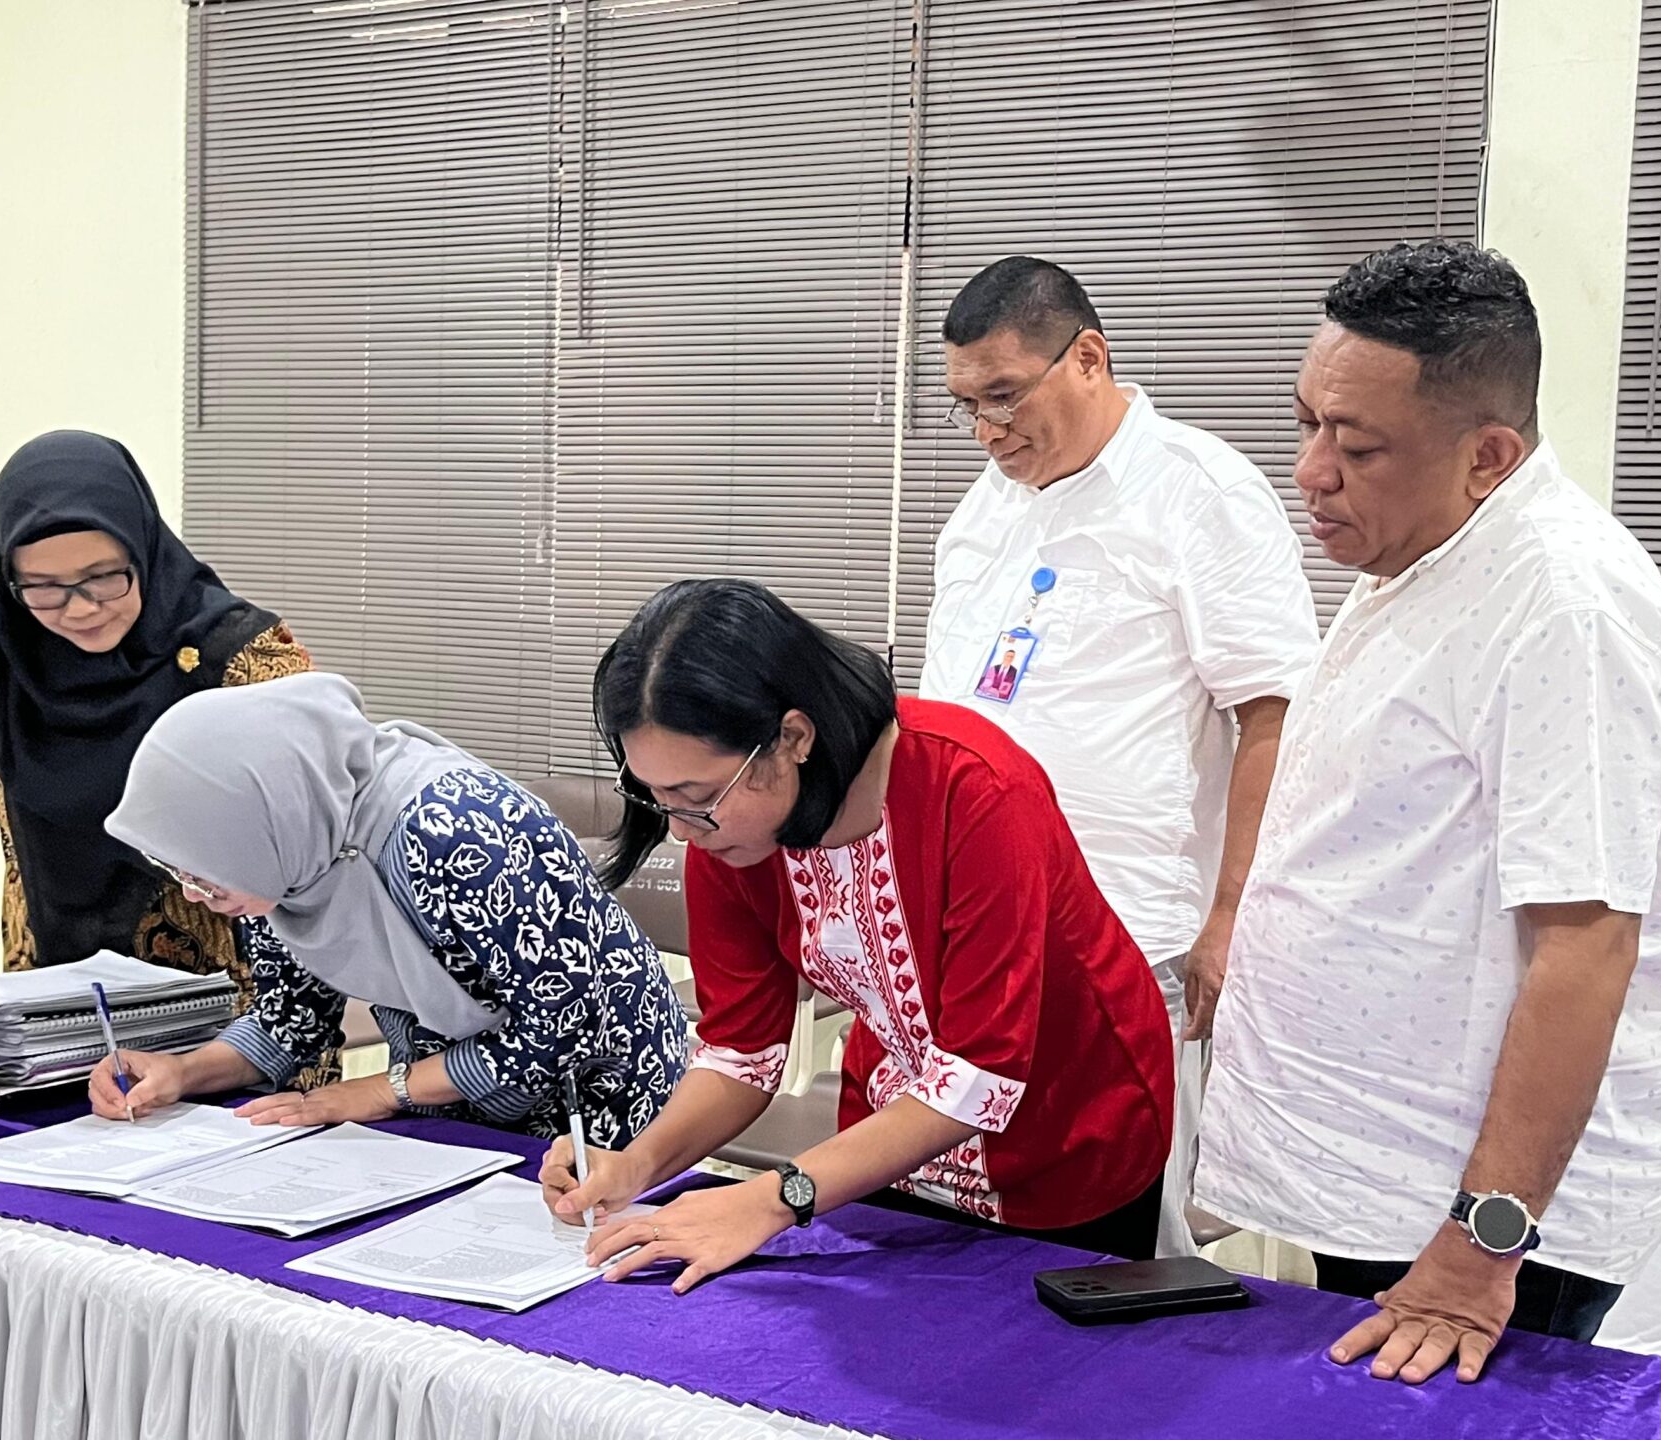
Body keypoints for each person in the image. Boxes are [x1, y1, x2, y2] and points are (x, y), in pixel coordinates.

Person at [1193, 240, 1661, 1383]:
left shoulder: (1566, 607)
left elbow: (1589, 946)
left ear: (1489, 455)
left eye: (1357, 445)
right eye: (1306, 424)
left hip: (1484, 1227)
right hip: (1387, 1164)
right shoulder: (1427, 558)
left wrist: (1484, 1246)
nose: (1310, 471)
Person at [540, 579, 1174, 1288]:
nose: (682, 829)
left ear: (792, 738)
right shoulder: (732, 835)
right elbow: (742, 1052)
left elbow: (977, 1076)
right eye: (655, 798)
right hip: (890, 1138)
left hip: (1070, 1133)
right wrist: (639, 1162)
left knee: (1036, 1376)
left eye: (696, 797)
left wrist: (773, 1197)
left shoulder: (975, 790)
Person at [923, 256, 1318, 1255]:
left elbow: (1275, 714)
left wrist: (1232, 916)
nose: (988, 431)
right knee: (971, 1215)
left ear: (1088, 358)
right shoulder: (984, 507)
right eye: (967, 404)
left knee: (1118, 1233)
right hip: (974, 929)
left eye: (1006, 397)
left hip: (1122, 934)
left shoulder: (1198, 491)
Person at [83, 672, 690, 1146]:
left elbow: (563, 1023)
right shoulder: (293, 847)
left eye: (203, 873)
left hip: (602, 1104)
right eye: (179, 873)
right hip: (447, 1109)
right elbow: (290, 1019)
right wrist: (181, 1074)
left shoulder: (453, 828)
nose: (194, 895)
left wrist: (383, 1090)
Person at [0, 430, 311, 998]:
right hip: (50, 963)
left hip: (236, 993)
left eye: (105, 577)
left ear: (143, 547)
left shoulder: (239, 656)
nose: (81, 609)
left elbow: (312, 813)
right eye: (43, 588)